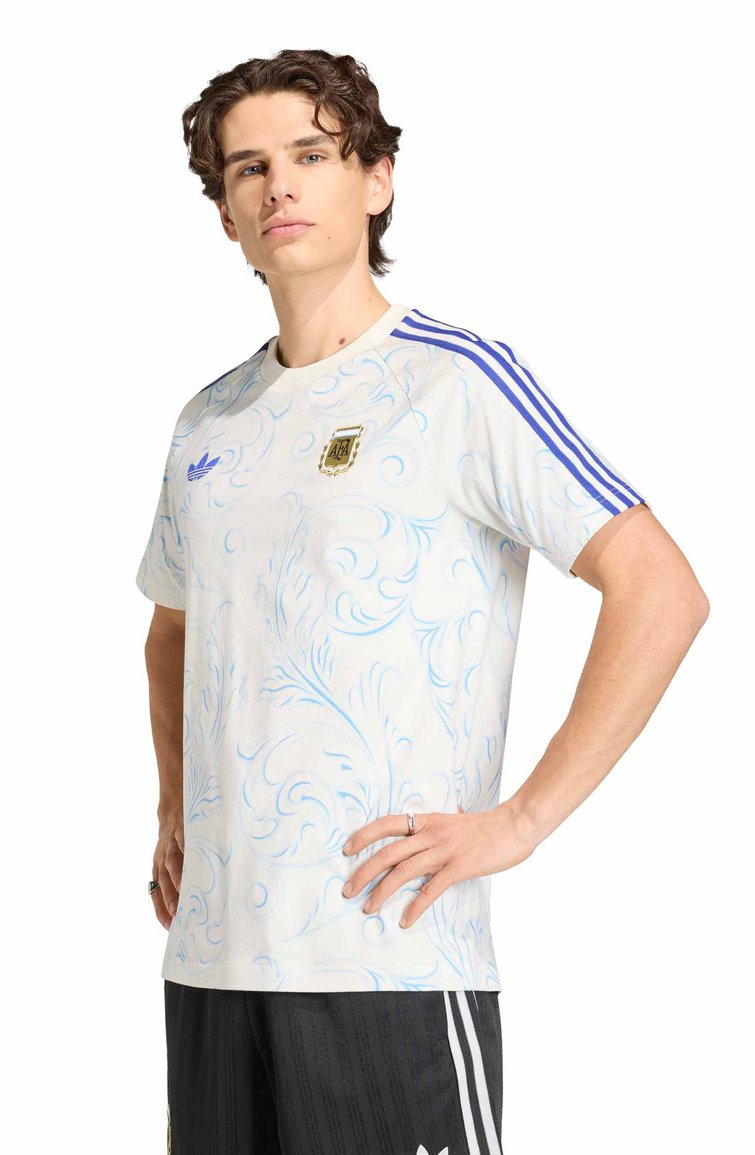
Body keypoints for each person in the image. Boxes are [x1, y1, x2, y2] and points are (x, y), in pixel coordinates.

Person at [136, 49, 709, 1155]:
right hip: (212, 962)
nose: (279, 185)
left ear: (377, 178)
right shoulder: (208, 419)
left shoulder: (457, 379)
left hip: (388, 958)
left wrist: (521, 821)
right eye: (248, 168)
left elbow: (660, 589)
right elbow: (172, 627)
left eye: (312, 154)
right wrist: (173, 803)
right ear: (226, 216)